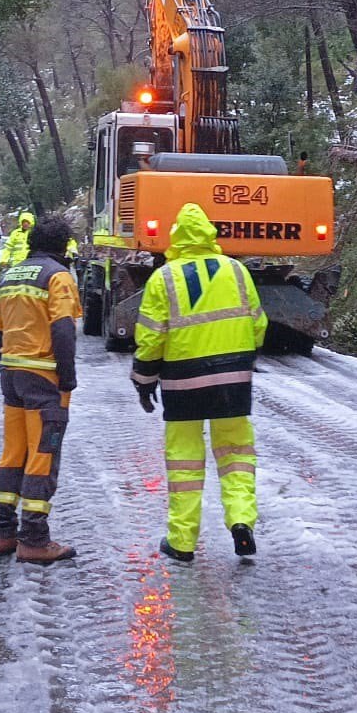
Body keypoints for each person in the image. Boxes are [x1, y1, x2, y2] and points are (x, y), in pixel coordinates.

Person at [130, 202, 268, 563]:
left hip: (182, 382)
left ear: (177, 237)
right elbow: (258, 325)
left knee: (185, 462)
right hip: (233, 380)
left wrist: (144, 380)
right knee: (237, 453)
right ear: (210, 234)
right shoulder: (237, 271)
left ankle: (182, 542)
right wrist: (242, 359)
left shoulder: (164, 277)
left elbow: (151, 336)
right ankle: (241, 521)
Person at [0, 214, 79, 564]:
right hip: (44, 379)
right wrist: (66, 377)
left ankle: (1, 533)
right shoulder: (58, 277)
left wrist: (7, 367)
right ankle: (35, 540)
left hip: (12, 376)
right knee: (43, 455)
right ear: (62, 246)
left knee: (13, 454)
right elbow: (63, 330)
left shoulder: (10, 276)